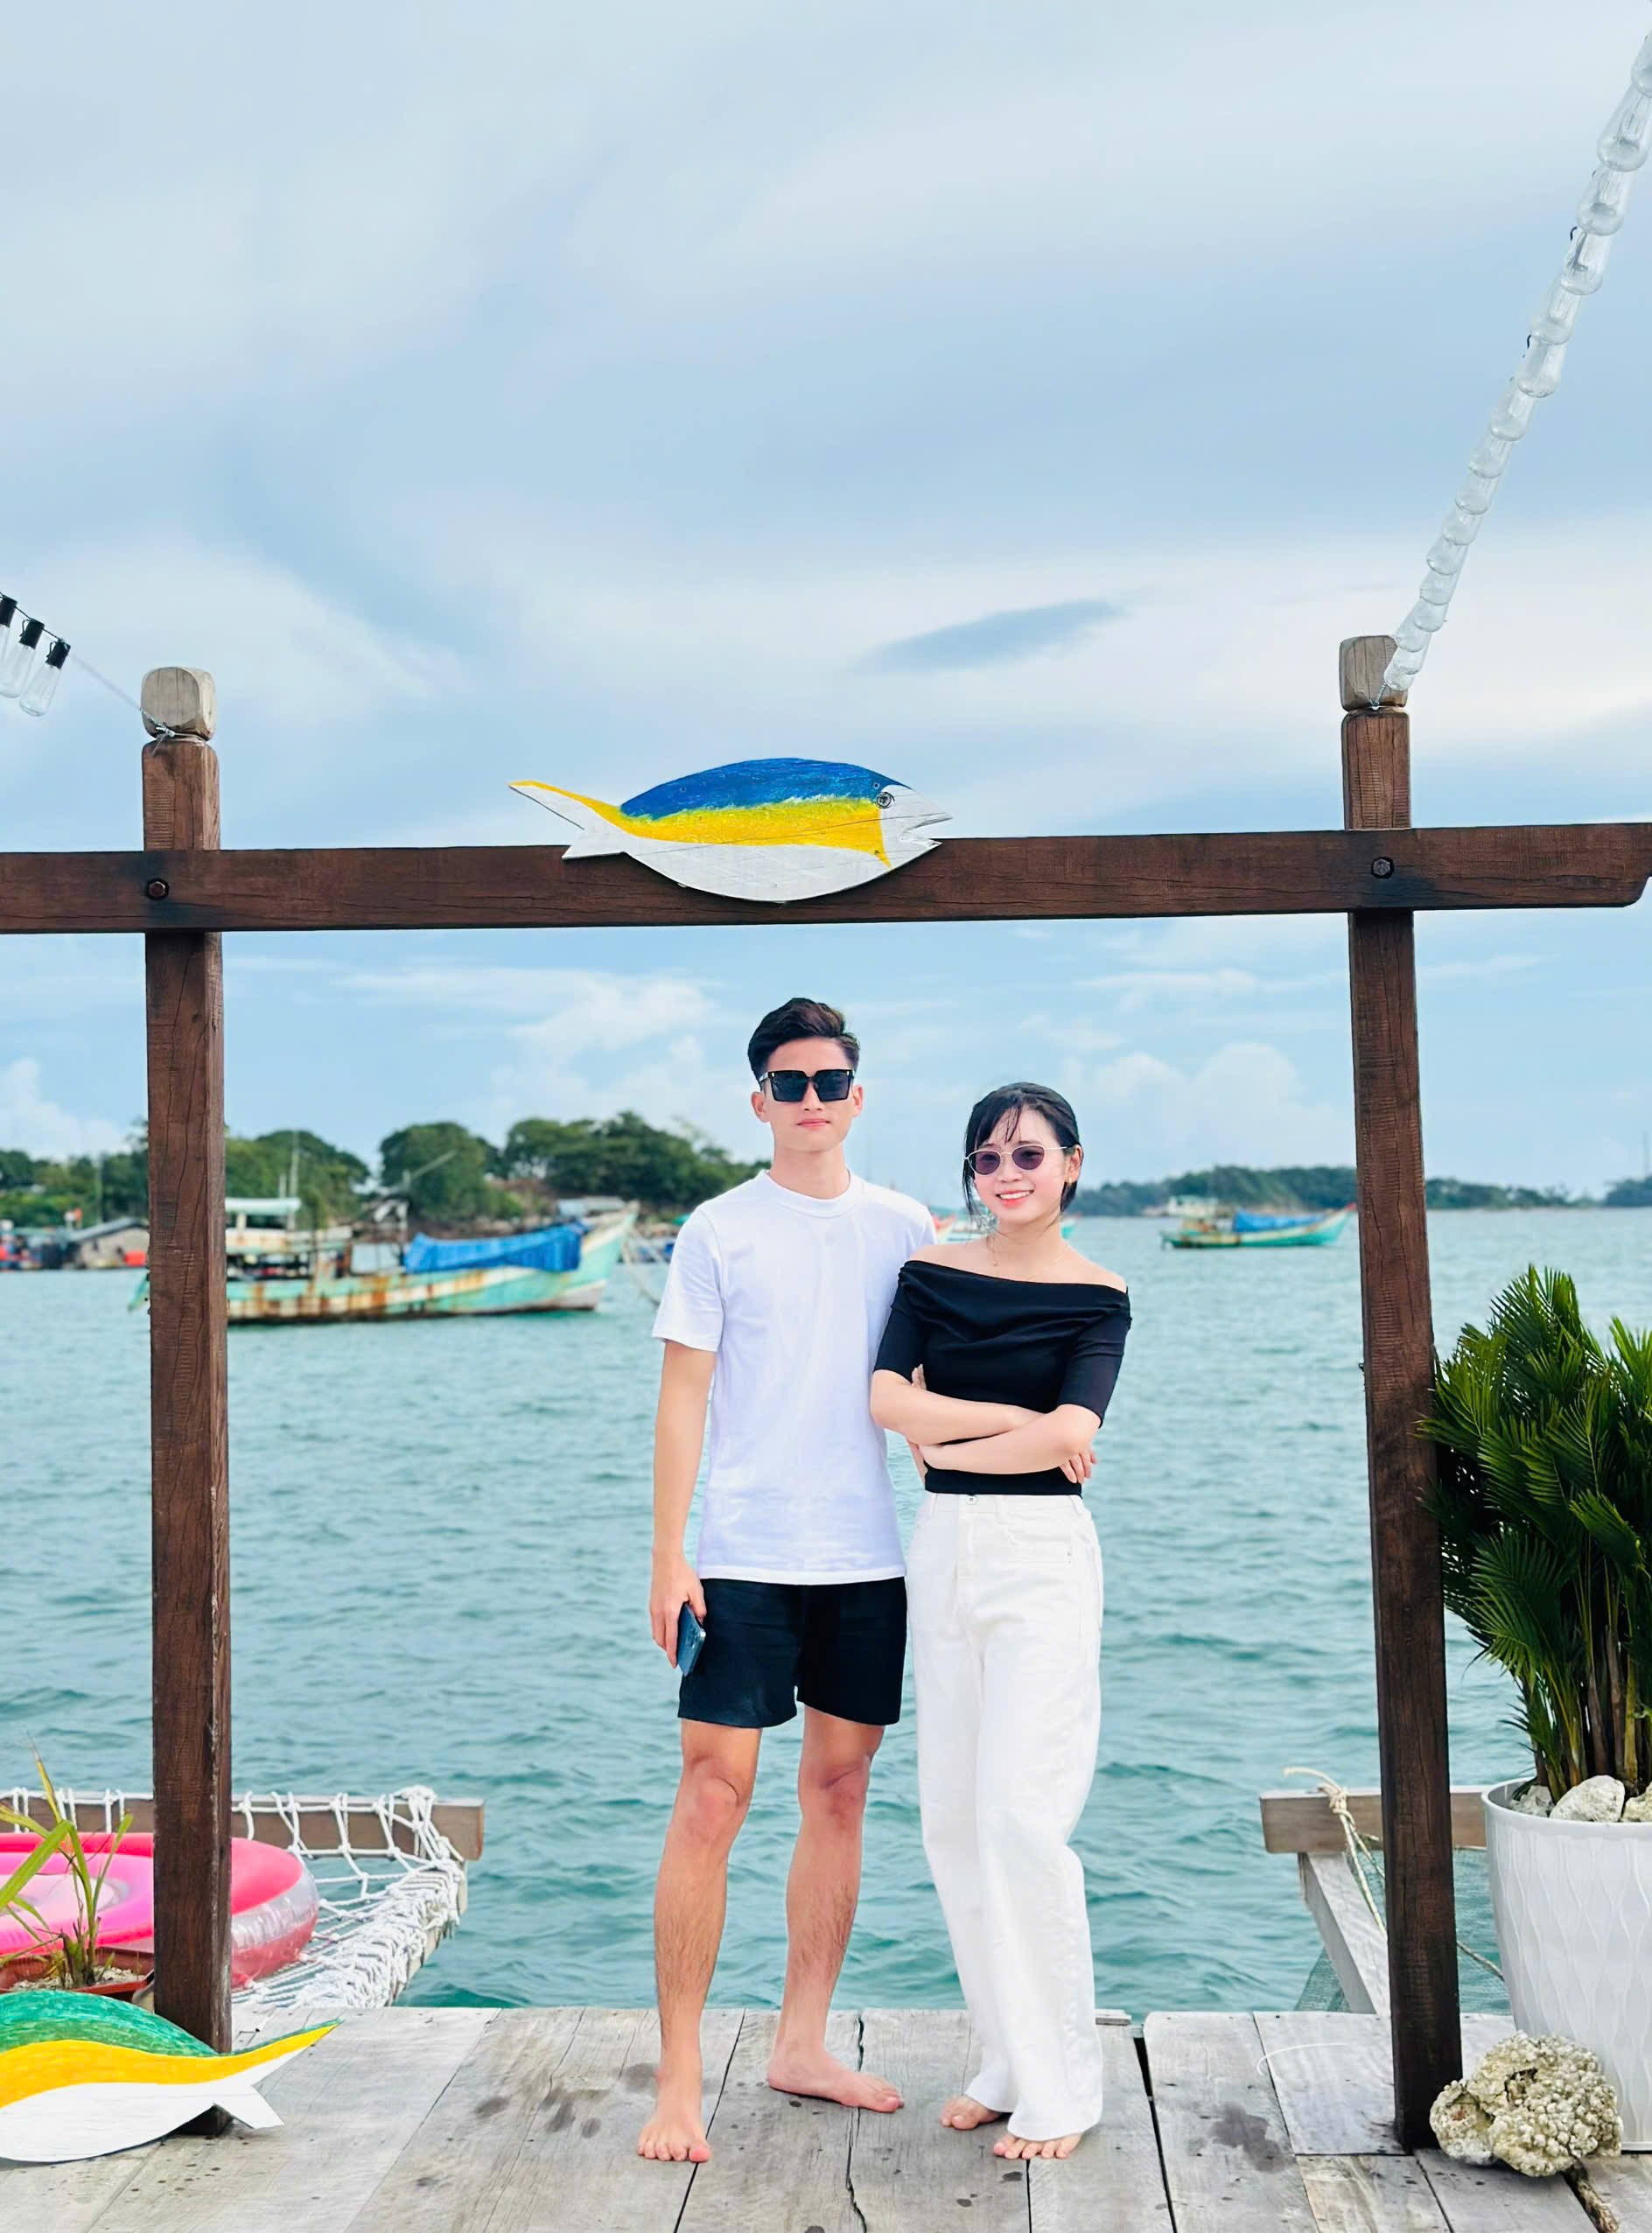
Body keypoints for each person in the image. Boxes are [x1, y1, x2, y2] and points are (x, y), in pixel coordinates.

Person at [638, 996, 935, 2165]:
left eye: (831, 1081)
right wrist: (669, 1551)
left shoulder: (906, 1225)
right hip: (742, 1559)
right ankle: (677, 2079)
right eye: (791, 1082)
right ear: (759, 1099)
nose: (812, 1100)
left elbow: (925, 1393)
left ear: (857, 1097)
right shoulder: (717, 1228)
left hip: (868, 1559)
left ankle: (800, 2043)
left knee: (841, 1793)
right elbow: (683, 1395)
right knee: (712, 1798)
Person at [869, 1082, 1129, 2163]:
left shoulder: (1099, 1294)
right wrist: (1013, 1420)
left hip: (1041, 1557)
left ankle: (1063, 2086)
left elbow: (1075, 1431)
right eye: (986, 1157)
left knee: (1022, 1818)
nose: (1005, 1174)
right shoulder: (929, 1272)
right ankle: (1008, 2059)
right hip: (943, 1549)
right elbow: (887, 1400)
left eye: (1027, 1154)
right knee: (953, 1818)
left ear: (1072, 1162)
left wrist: (955, 1439)